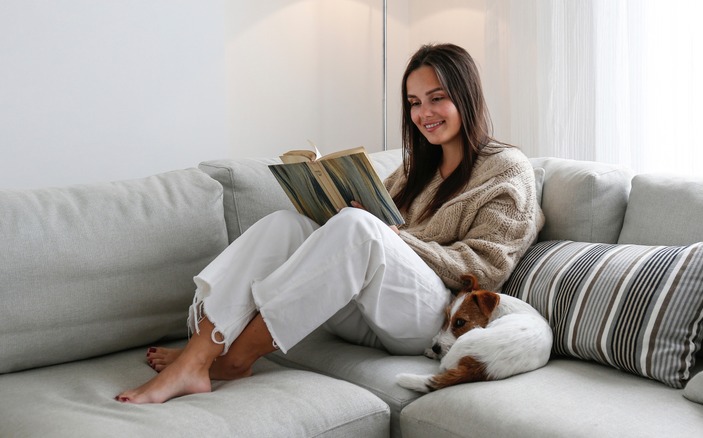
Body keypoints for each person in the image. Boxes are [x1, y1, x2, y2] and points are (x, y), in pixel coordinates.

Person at [115, 43, 544, 404]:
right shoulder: (414, 169)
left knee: (359, 228)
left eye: (436, 98)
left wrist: (390, 237)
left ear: (465, 97)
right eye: (414, 102)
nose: (423, 113)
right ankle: (198, 354)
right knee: (284, 224)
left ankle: (231, 362)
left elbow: (486, 270)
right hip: (373, 308)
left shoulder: (507, 170)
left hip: (434, 318)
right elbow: (376, 233)